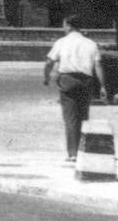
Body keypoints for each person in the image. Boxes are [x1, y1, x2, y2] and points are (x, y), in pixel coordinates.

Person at [43, 15, 105, 161]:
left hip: (67, 80)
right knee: (84, 116)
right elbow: (98, 65)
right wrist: (103, 86)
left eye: (64, 25)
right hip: (86, 81)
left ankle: (73, 153)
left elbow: (49, 62)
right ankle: (84, 149)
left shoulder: (62, 42)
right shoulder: (91, 43)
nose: (63, 28)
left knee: (71, 118)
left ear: (69, 26)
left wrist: (46, 78)